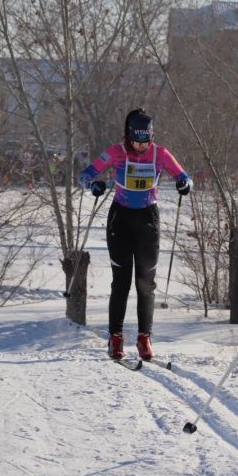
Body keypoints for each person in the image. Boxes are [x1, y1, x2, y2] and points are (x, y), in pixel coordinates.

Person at [78, 108, 192, 361]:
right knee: (121, 282)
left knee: (145, 283)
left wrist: (184, 184)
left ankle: (144, 338)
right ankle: (115, 338)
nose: (141, 146)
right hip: (120, 219)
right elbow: (84, 175)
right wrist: (93, 184)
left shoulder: (160, 154)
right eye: (136, 141)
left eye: (146, 141)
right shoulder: (116, 152)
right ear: (128, 136)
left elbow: (185, 178)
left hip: (147, 221)